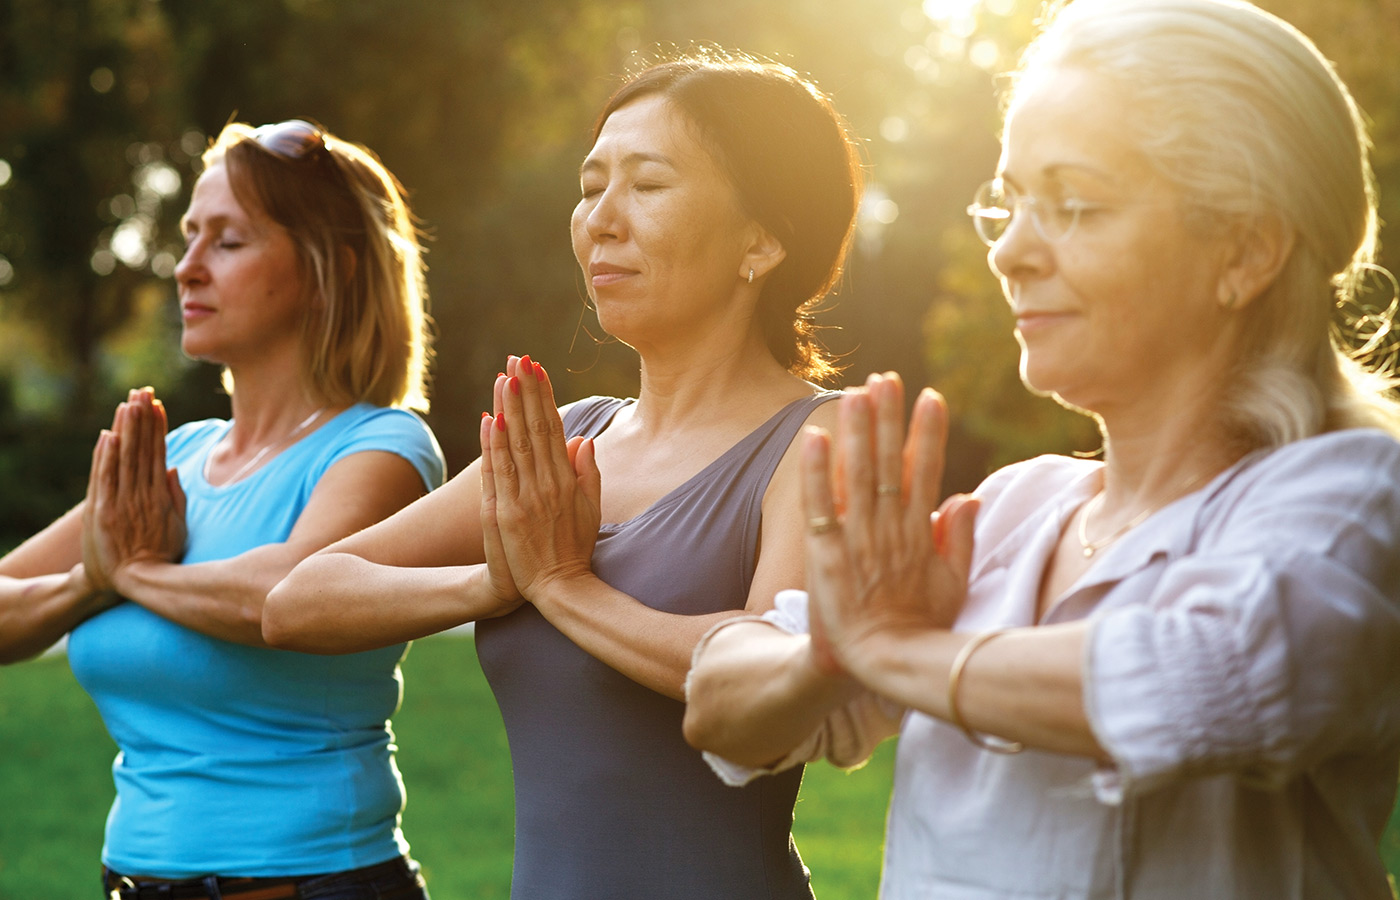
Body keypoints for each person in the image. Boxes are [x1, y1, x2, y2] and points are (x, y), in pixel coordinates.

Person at [682, 1, 1400, 897]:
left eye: (1072, 205)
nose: (1012, 253)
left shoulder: (1354, 494)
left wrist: (891, 654)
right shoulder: (1017, 509)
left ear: (1245, 250)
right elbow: (718, 700)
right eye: (1010, 203)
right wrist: (830, 654)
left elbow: (1216, 678)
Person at [264, 51, 863, 899]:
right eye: (590, 186)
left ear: (762, 240)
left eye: (647, 185)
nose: (600, 220)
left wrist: (563, 585)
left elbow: (777, 677)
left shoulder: (817, 441)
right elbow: (296, 602)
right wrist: (493, 583)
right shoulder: (564, 441)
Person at [0, 119, 445, 899]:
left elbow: (281, 598)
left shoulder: (380, 448)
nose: (187, 268)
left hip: (313, 886)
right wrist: (91, 582)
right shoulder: (172, 459)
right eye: (189, 236)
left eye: (228, 242)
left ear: (327, 270)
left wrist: (129, 571)